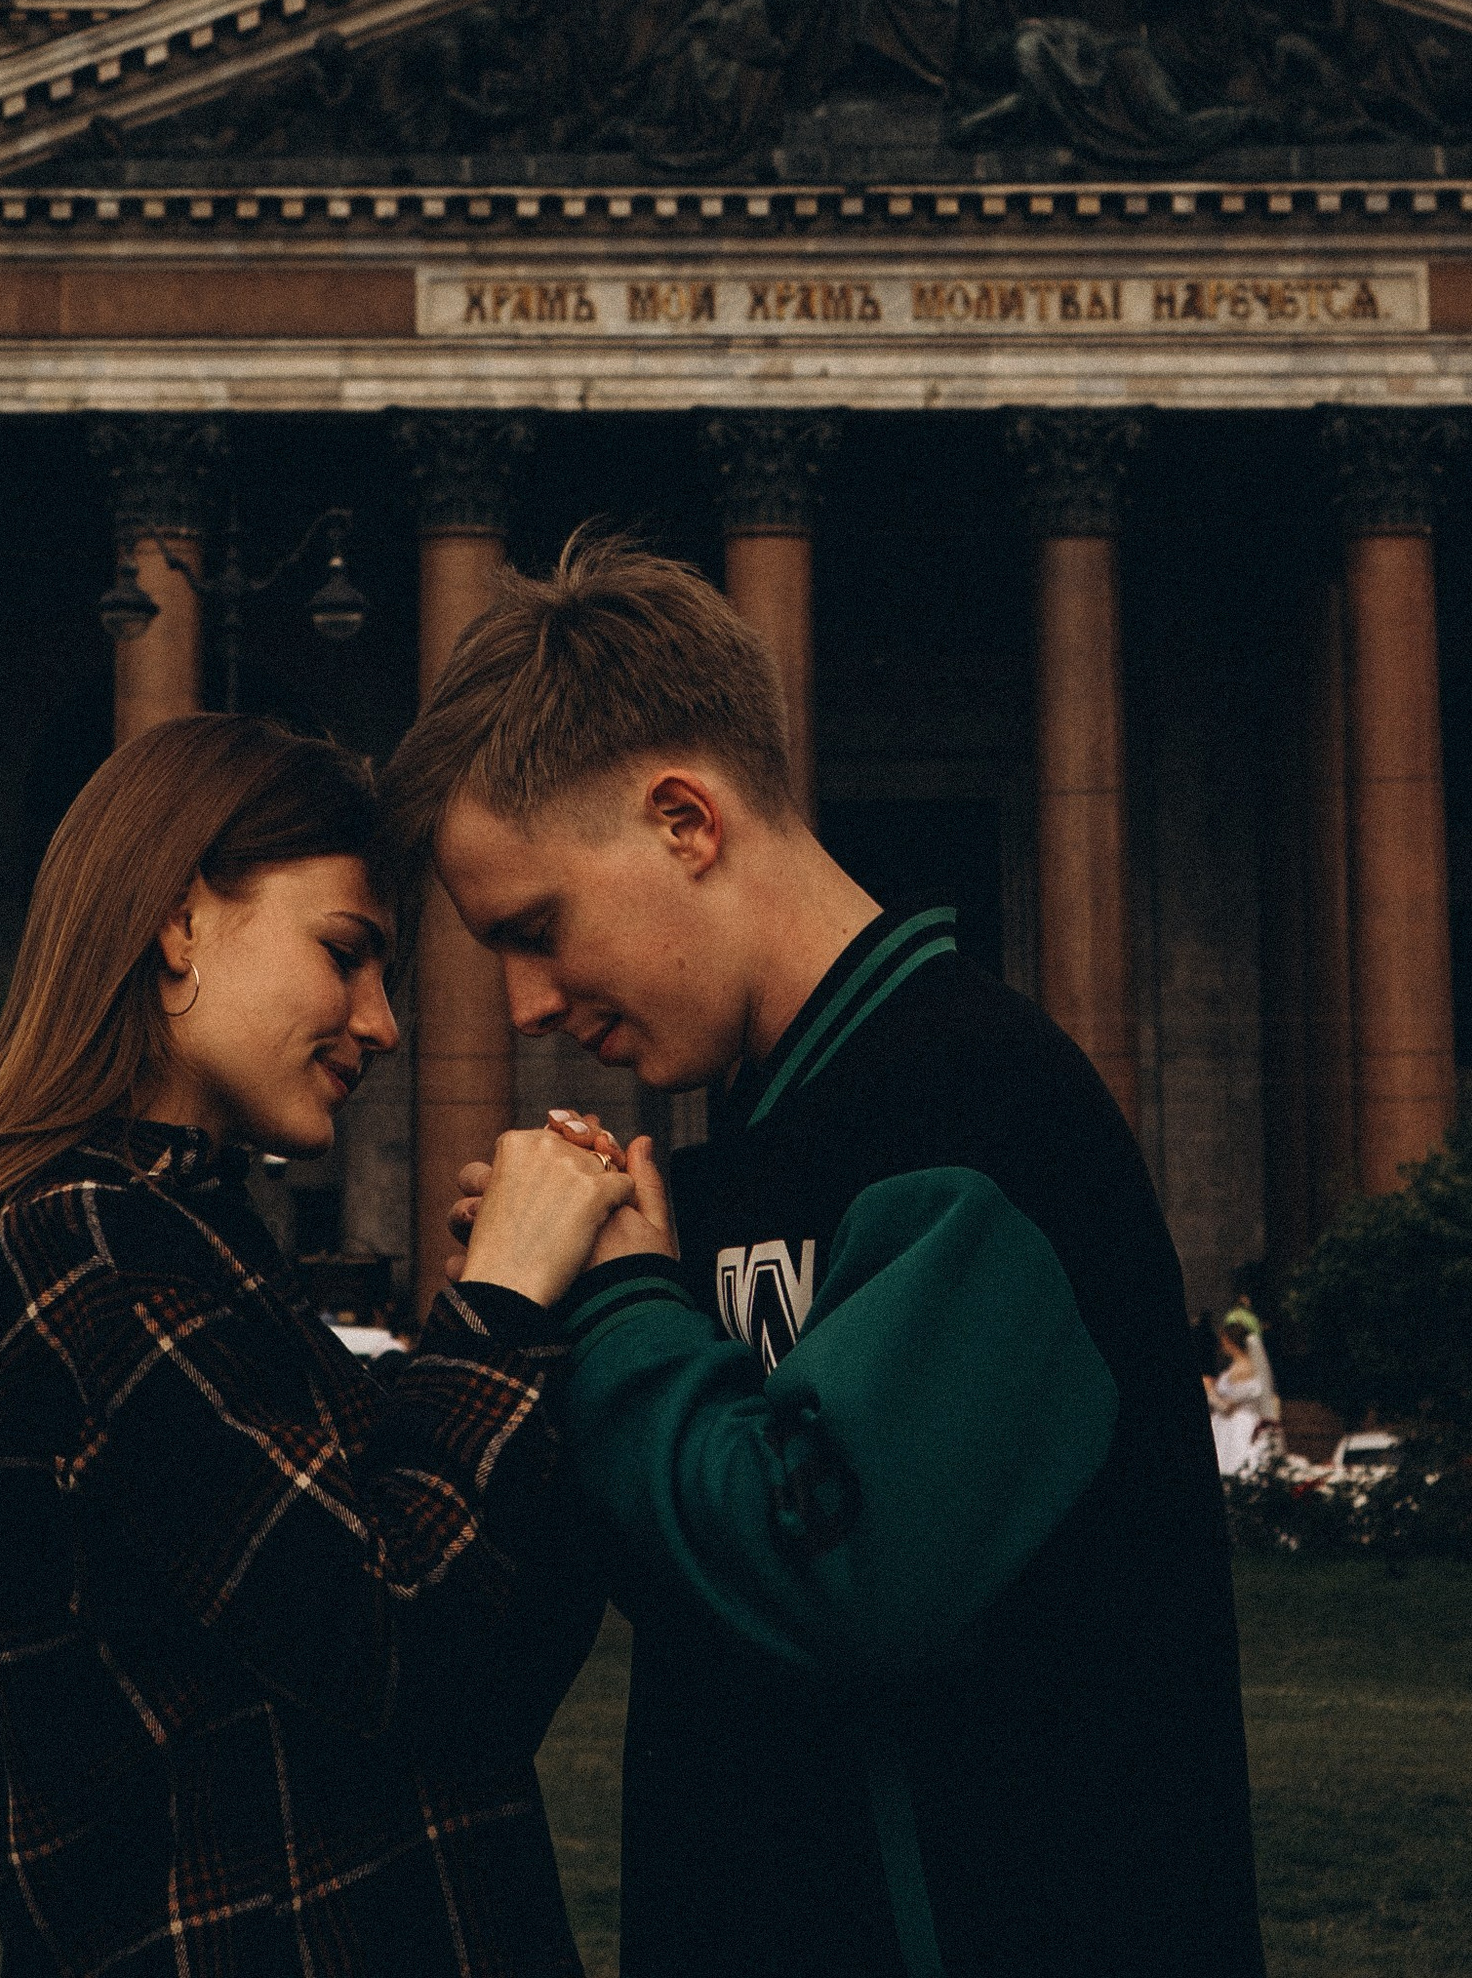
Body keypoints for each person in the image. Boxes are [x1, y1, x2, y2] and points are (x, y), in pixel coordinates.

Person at [388, 533, 1263, 1978]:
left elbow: (839, 1575)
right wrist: (524, 1324)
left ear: (685, 820)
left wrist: (619, 1308)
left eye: (536, 929)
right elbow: (687, 1580)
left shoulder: (973, 1108)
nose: (525, 1003)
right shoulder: (760, 1130)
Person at [0, 714, 628, 1978]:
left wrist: (554, 1328)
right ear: (179, 922)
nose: (382, 1024)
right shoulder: (83, 1240)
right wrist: (500, 1307)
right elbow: (394, 1633)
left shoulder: (187, 1234)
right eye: (345, 955)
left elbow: (476, 1680)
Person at [1207, 1302, 1281, 1478]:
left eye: (1223, 1340)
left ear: (1229, 1341)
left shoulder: (1242, 1369)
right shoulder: (1244, 1367)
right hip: (1237, 1423)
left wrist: (1209, 1391)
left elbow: (1227, 1407)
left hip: (1237, 1427)